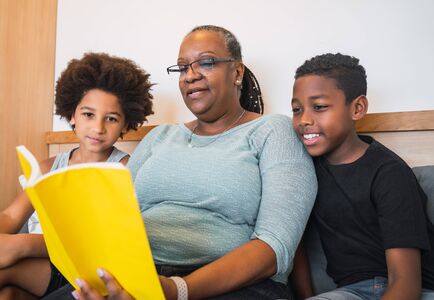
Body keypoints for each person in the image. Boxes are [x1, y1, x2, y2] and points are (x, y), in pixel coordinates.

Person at [67, 25, 317, 300]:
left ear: (237, 72)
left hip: (234, 287)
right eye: (183, 68)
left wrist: (177, 290)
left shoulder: (273, 131)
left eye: (206, 62)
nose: (191, 76)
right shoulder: (160, 136)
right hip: (140, 277)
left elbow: (275, 247)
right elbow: (115, 217)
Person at [0, 52, 154, 299]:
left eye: (111, 118)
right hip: (38, 269)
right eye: (88, 114)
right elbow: (11, 215)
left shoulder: (124, 172)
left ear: (126, 125)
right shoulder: (47, 167)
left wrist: (16, 246)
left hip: (76, 270)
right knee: (5, 295)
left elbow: (97, 242)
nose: (98, 127)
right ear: (72, 115)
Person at [290, 53, 434, 299]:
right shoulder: (305, 170)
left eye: (320, 107)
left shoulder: (389, 173)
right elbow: (296, 244)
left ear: (357, 108)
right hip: (350, 292)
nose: (304, 119)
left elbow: (406, 284)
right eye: (297, 109)